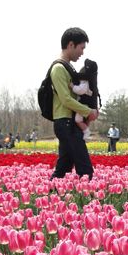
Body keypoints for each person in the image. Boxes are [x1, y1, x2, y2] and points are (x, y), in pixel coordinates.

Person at [50, 27, 98, 180]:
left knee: (62, 169)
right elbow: (65, 99)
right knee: (85, 170)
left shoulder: (68, 68)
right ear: (71, 45)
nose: (82, 52)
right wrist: (87, 111)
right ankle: (89, 202)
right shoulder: (58, 69)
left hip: (70, 123)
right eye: (81, 48)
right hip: (65, 123)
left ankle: (51, 196)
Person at [71, 59, 100, 140]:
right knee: (86, 120)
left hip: (85, 105)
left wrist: (73, 86)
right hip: (91, 106)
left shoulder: (85, 81)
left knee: (78, 120)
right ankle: (86, 129)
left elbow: (81, 90)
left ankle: (86, 131)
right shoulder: (92, 82)